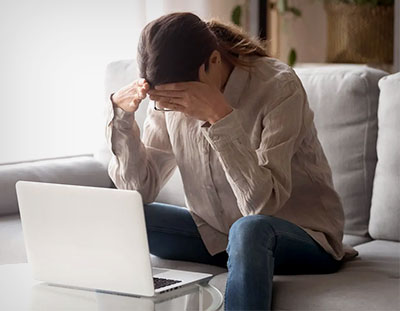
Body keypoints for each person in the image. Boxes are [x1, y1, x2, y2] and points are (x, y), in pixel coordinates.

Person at [105, 12, 358, 311]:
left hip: (300, 237)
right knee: (128, 217)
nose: (179, 108)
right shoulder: (167, 102)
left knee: (248, 229)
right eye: (167, 102)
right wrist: (122, 119)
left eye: (182, 97)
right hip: (218, 237)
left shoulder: (278, 86)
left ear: (213, 61)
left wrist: (220, 117)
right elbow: (140, 190)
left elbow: (260, 206)